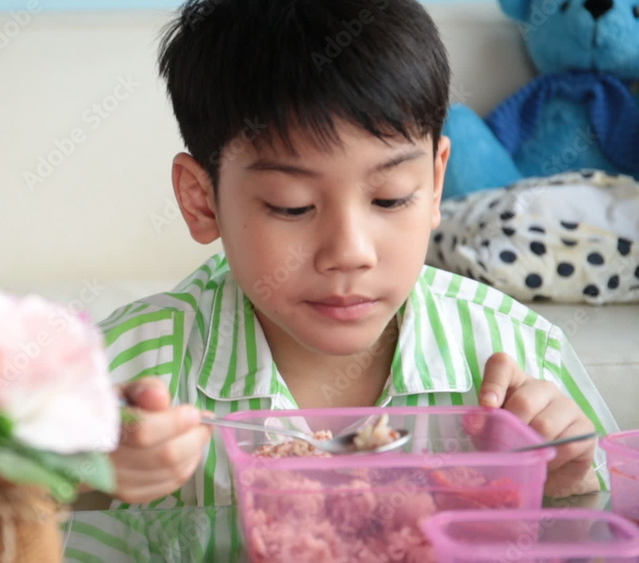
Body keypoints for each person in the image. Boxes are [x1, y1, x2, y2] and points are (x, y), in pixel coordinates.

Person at [103, 0, 618, 512]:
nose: (350, 253)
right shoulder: (118, 373)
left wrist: (567, 486)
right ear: (202, 200)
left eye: (390, 198)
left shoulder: (522, 352)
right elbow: (52, 503)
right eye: (292, 206)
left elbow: (609, 518)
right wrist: (82, 477)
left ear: (434, 184)